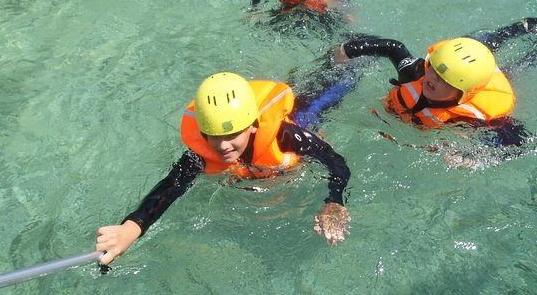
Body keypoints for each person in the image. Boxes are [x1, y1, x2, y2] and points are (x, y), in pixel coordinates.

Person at [96, 72, 352, 266]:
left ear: (253, 124)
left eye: (231, 133)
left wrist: (334, 201)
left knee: (333, 91)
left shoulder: (285, 136)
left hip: (304, 115)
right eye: (212, 135)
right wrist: (132, 227)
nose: (223, 146)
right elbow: (171, 186)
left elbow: (337, 164)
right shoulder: (202, 153)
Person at [293, 14, 537, 166]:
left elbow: (523, 144)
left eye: (445, 81)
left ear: (463, 93)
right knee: (477, 42)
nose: (432, 79)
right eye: (434, 69)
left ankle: (534, 35)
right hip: (463, 60)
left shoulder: (473, 117)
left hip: (476, 75)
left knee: (518, 66)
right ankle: (518, 27)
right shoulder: (416, 73)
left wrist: (474, 159)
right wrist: (349, 50)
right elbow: (392, 47)